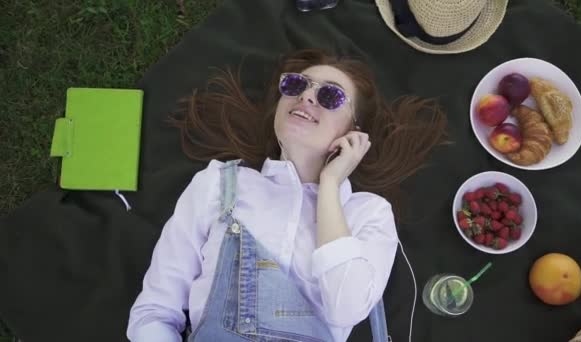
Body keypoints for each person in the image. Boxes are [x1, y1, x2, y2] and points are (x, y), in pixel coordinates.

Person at [127, 49, 447, 342]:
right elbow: (154, 311)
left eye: (330, 95)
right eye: (296, 85)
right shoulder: (218, 184)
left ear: (354, 130)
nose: (307, 96)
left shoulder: (368, 213)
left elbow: (346, 309)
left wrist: (331, 185)